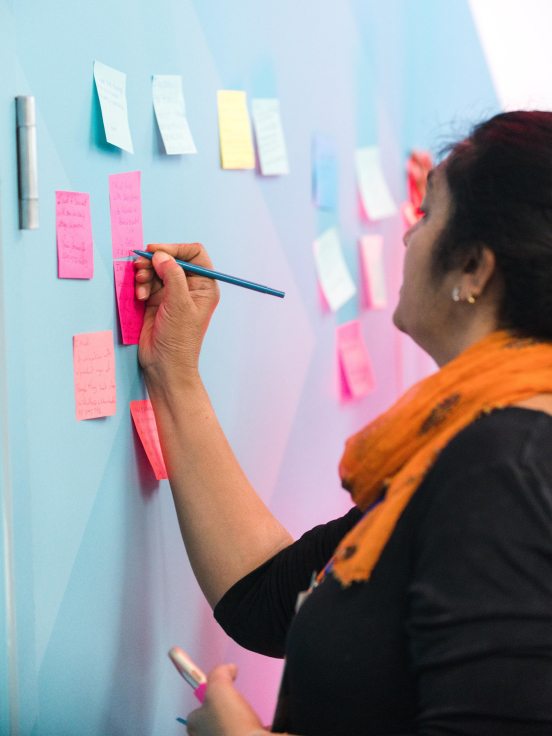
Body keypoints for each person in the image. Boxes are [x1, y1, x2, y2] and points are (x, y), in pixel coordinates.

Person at [134, 111, 552, 736]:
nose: (408, 239)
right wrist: (174, 373)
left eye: (426, 215)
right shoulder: (478, 440)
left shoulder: (505, 468)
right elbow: (268, 598)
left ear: (472, 267)